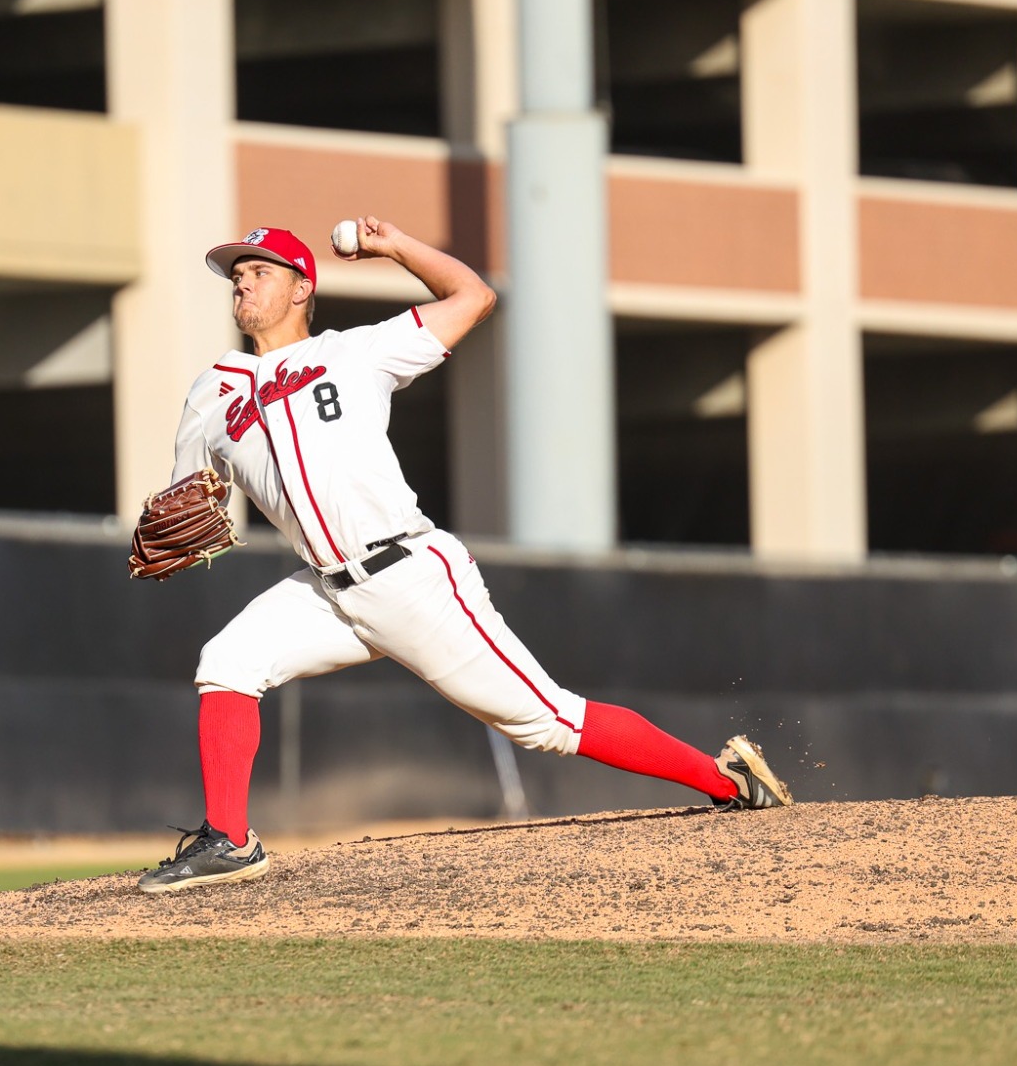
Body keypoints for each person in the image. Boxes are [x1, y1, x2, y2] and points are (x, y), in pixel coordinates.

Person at [137, 220, 792, 893]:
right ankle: (231, 841)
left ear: (304, 287)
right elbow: (188, 495)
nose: (244, 282)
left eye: (261, 271)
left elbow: (473, 297)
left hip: (410, 574)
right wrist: (178, 515)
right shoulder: (210, 393)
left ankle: (729, 779)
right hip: (327, 590)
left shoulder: (356, 352)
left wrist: (394, 247)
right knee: (227, 661)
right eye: (237, 275)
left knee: (548, 721)